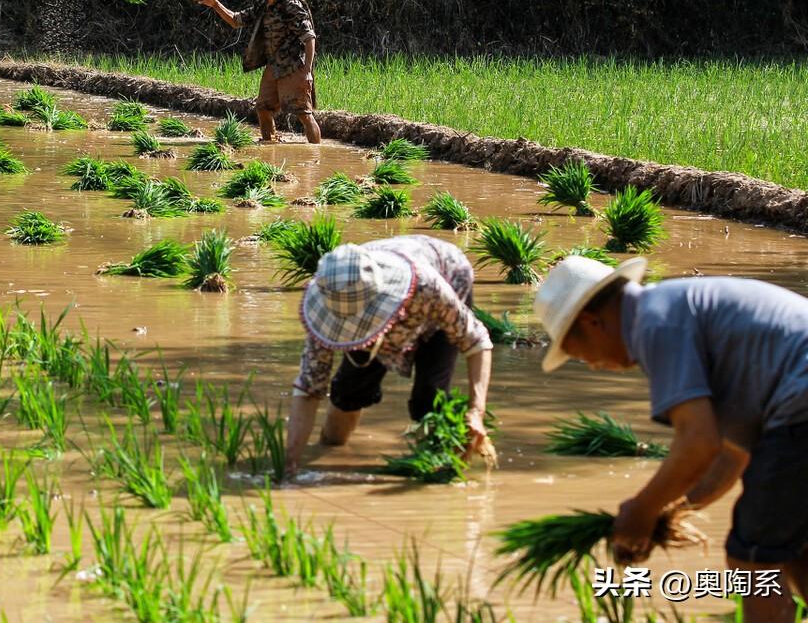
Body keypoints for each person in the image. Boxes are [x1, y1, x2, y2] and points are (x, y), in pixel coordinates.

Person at [535, 256, 808, 622]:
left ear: (591, 322)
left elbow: (698, 443)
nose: (591, 364)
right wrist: (668, 513)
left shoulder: (656, 323)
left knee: (751, 558)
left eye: (575, 353)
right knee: (791, 546)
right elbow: (732, 458)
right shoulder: (673, 308)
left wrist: (641, 510)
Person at [286, 235, 495, 476]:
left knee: (429, 399)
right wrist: (290, 464)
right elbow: (309, 389)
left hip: (443, 282)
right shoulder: (332, 293)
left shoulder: (427, 287)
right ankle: (331, 449)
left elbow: (476, 341)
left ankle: (438, 471)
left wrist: (475, 412)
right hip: (373, 296)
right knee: (348, 391)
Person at [193, 0, 322, 144]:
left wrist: (307, 72)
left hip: (293, 66)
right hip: (274, 66)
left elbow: (309, 38)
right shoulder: (263, 4)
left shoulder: (292, 5)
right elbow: (236, 20)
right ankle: (270, 145)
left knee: (303, 113)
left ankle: (316, 157)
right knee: (263, 108)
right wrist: (214, 4)